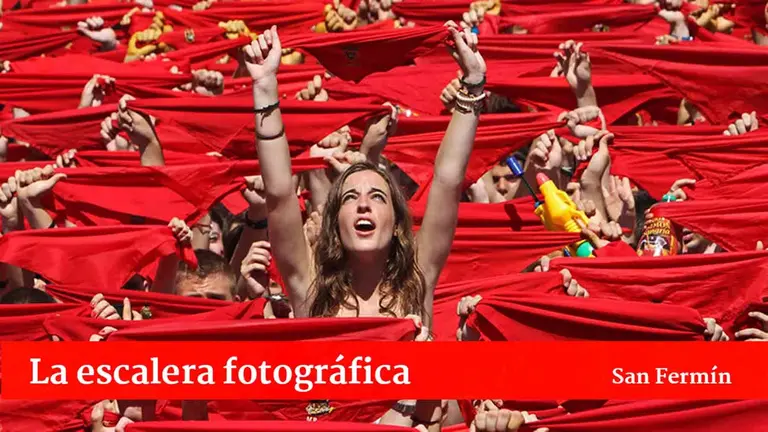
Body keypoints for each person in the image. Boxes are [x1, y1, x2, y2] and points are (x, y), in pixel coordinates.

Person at [243, 22, 486, 329]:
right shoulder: (310, 288)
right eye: (349, 197)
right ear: (334, 223)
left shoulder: (417, 280)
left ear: (398, 224)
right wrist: (264, 86)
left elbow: (447, 182)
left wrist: (474, 83)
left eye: (378, 196)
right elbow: (278, 194)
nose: (363, 205)